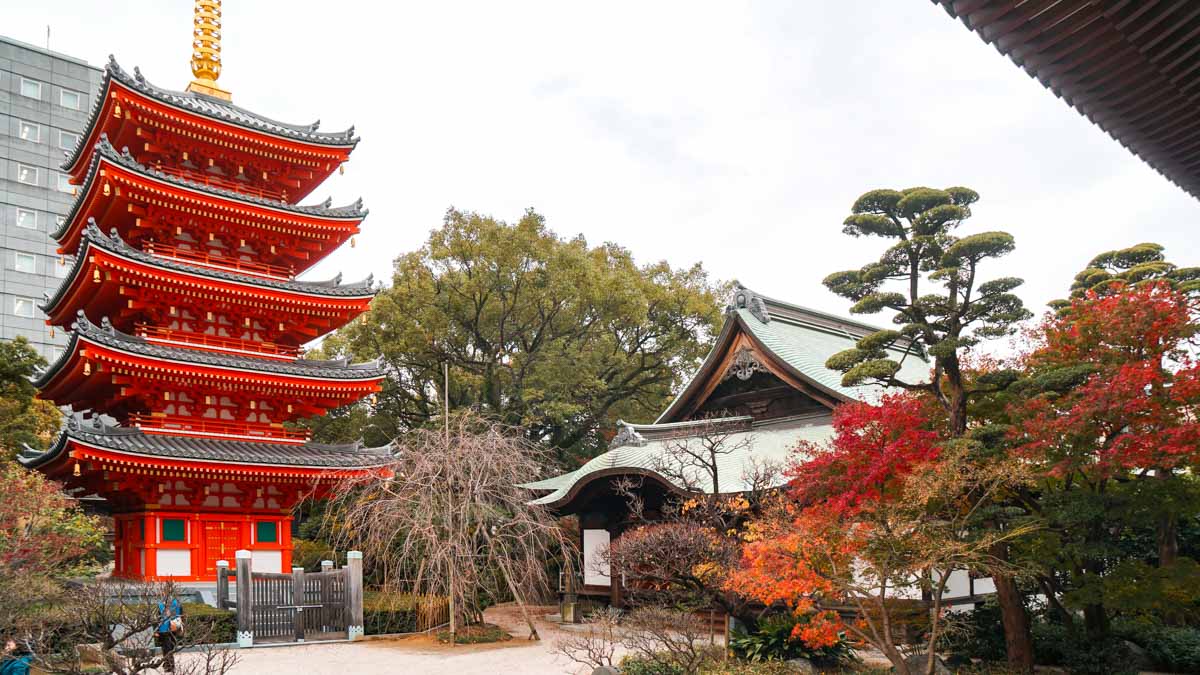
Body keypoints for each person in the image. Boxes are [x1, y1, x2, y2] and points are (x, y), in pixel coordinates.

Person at [156, 591, 184, 673]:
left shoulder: (160, 604)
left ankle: (169, 665)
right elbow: (180, 615)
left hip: (163, 629)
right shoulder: (177, 603)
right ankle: (167, 664)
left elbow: (158, 618)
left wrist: (157, 630)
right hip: (174, 627)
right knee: (170, 647)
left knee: (166, 648)